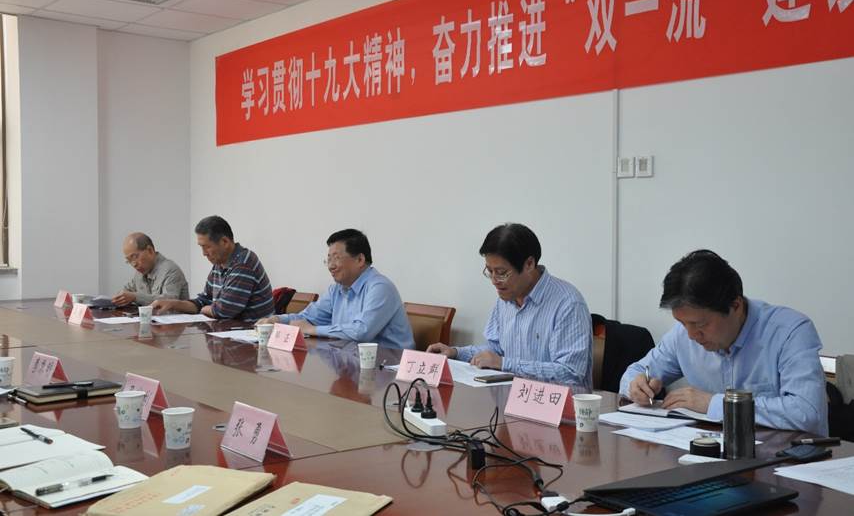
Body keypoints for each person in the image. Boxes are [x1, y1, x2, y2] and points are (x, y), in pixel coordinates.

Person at [620, 249, 827, 436]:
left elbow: (806, 412)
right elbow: (633, 373)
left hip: (786, 458)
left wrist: (715, 404)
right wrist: (636, 386)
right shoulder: (682, 335)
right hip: (712, 453)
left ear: (735, 306)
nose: (691, 335)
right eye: (682, 323)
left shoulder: (790, 331)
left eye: (700, 324)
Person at [427, 223, 592, 387]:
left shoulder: (568, 303)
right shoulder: (505, 298)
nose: (494, 281)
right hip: (511, 397)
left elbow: (570, 373)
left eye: (501, 273)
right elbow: (495, 349)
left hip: (556, 402)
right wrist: (456, 352)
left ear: (529, 264)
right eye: (489, 271)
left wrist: (504, 364)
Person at [258, 229, 414, 349]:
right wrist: (277, 320)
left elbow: (361, 332)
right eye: (329, 259)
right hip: (352, 361)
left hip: (389, 368)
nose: (331, 266)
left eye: (337, 258)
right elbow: (308, 318)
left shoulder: (380, 287)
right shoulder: (336, 290)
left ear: (360, 259)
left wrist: (313, 330)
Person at [153, 216, 274, 321]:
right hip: (228, 331)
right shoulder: (219, 264)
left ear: (225, 242)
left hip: (252, 334)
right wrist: (173, 304)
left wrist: (204, 309)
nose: (204, 253)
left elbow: (224, 311)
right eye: (201, 247)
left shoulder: (244, 262)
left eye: (207, 247)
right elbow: (204, 300)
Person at [112, 233, 189, 306]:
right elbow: (126, 291)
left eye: (135, 257)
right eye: (129, 261)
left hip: (174, 316)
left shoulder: (170, 270)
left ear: (150, 250)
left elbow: (169, 301)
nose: (133, 264)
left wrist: (135, 297)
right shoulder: (140, 272)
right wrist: (119, 298)